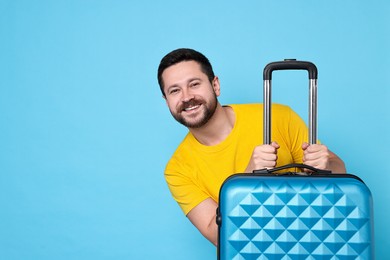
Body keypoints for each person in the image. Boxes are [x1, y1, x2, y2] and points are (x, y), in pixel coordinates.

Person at [157, 48, 346, 246]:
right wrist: (247, 178)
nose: (187, 97)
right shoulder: (177, 170)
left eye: (194, 84)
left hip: (313, 244)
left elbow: (340, 170)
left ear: (215, 85)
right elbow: (218, 236)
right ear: (167, 100)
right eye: (175, 90)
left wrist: (325, 167)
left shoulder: (278, 116)